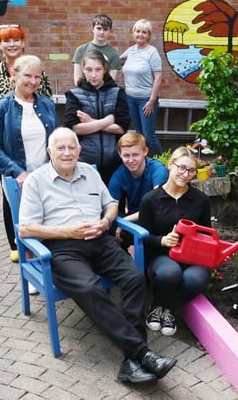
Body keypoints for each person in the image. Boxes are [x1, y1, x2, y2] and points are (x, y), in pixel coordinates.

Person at [18, 127, 177, 384]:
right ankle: (141, 353)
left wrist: (105, 222)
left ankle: (132, 363)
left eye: (72, 147)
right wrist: (67, 231)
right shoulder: (37, 181)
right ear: (50, 152)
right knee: (91, 289)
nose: (68, 152)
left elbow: (111, 203)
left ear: (80, 150)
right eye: (61, 148)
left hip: (100, 240)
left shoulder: (90, 173)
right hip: (62, 247)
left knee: (134, 278)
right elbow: (26, 228)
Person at [0, 24, 53, 263]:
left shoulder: (47, 105)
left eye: (36, 77)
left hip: (45, 172)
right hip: (16, 170)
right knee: (23, 219)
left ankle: (51, 262)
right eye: (27, 77)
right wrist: (17, 171)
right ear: (15, 75)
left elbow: (54, 135)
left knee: (48, 217)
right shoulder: (0, 106)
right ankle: (29, 264)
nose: (32, 81)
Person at [138, 147, 211, 336]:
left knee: (196, 278)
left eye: (191, 171)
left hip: (192, 256)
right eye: (181, 168)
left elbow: (207, 234)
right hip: (162, 255)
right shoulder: (151, 199)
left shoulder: (200, 200)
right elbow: (142, 237)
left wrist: (213, 251)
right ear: (170, 165)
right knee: (170, 273)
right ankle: (156, 304)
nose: (186, 174)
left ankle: (168, 308)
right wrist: (162, 240)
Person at [65, 49, 130, 184]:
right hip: (85, 162)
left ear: (105, 69)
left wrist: (91, 122)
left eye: (98, 69)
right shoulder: (74, 94)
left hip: (114, 162)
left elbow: (121, 127)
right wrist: (108, 120)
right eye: (89, 69)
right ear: (83, 69)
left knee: (113, 202)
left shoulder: (118, 93)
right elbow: (75, 128)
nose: (93, 75)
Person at [0, 24, 52, 131]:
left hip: (35, 131)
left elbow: (48, 102)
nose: (12, 44)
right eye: (6, 41)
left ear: (23, 43)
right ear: (0, 44)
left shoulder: (37, 70)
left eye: (16, 40)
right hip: (3, 137)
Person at [108, 132, 168, 243]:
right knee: (111, 226)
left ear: (145, 151)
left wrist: (126, 221)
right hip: (134, 216)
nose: (131, 160)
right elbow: (111, 206)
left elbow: (157, 206)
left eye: (135, 155)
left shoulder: (158, 170)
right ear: (119, 154)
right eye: (126, 155)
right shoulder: (119, 175)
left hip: (155, 216)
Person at [120, 19, 164, 157]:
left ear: (148, 35)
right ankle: (144, 161)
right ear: (134, 33)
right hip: (130, 99)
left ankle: (161, 161)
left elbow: (158, 78)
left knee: (148, 135)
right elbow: (115, 61)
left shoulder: (152, 53)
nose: (140, 34)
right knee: (138, 134)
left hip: (146, 100)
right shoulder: (130, 51)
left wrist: (151, 101)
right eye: (138, 31)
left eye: (144, 32)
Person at [72, 14, 120, 84]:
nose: (102, 32)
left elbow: (112, 80)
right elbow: (77, 79)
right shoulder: (81, 50)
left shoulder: (113, 53)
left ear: (110, 31)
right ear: (92, 29)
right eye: (99, 28)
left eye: (105, 29)